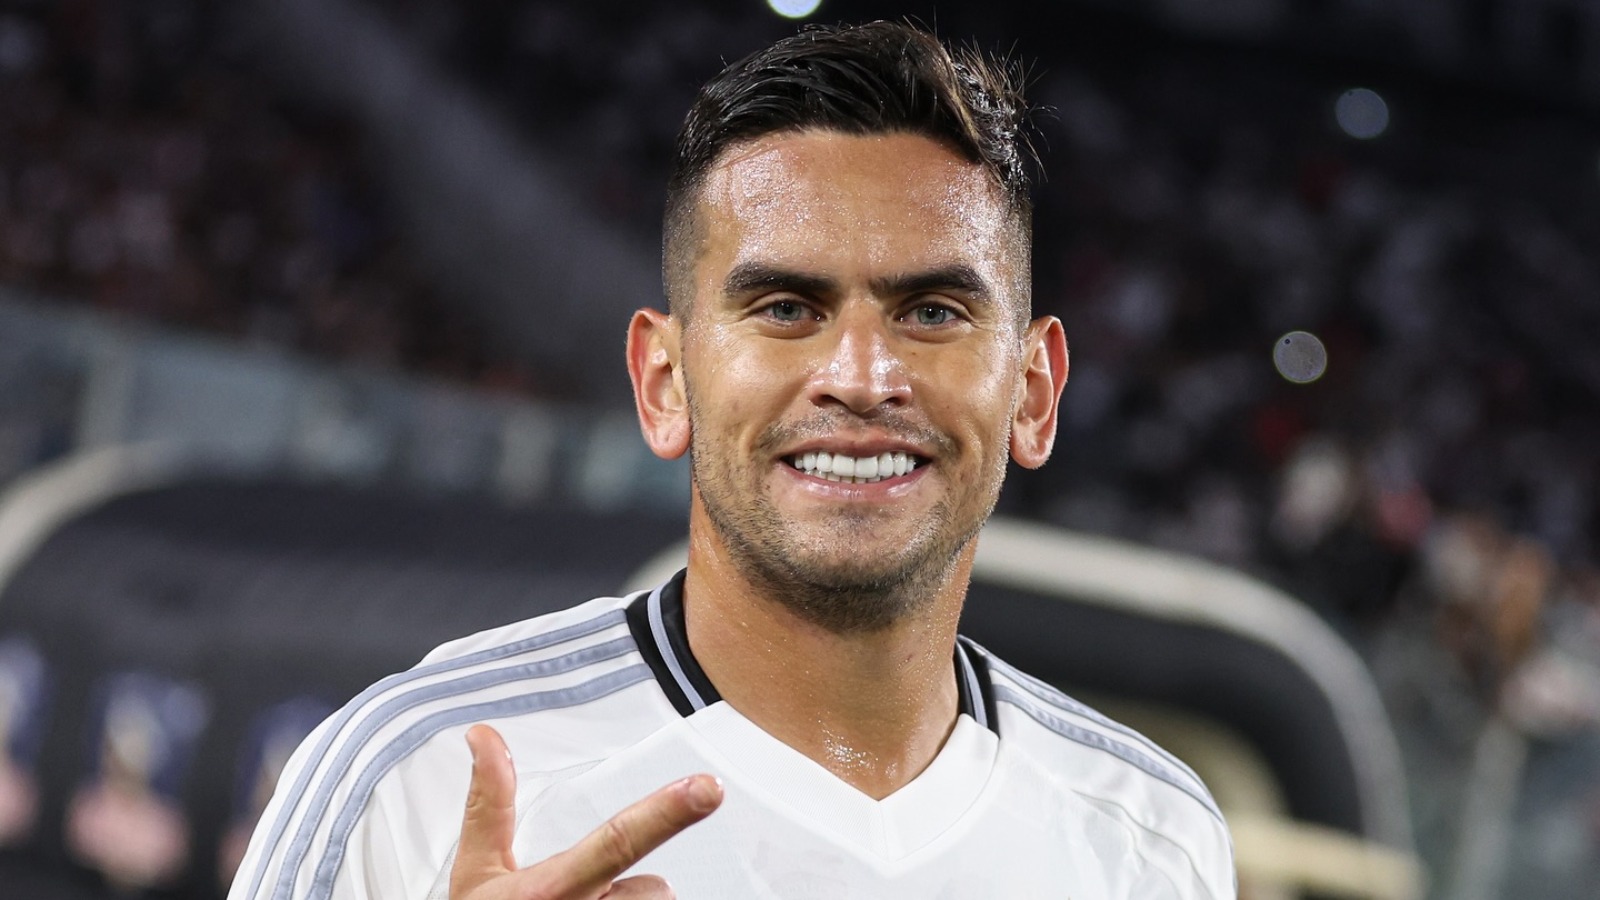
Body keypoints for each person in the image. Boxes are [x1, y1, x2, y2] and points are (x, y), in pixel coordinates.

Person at [229, 21, 1235, 900]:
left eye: (932, 312)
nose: (861, 377)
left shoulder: (1152, 836)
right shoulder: (419, 777)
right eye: (786, 308)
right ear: (664, 381)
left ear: (1034, 391)